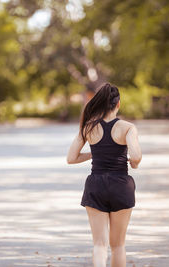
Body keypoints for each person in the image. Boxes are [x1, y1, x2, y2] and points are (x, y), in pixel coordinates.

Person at [66, 82, 142, 267]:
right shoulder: (127, 127)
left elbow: (71, 158)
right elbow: (136, 156)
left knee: (99, 244)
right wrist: (134, 163)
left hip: (96, 186)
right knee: (118, 246)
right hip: (121, 186)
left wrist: (96, 153)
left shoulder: (88, 127)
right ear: (118, 104)